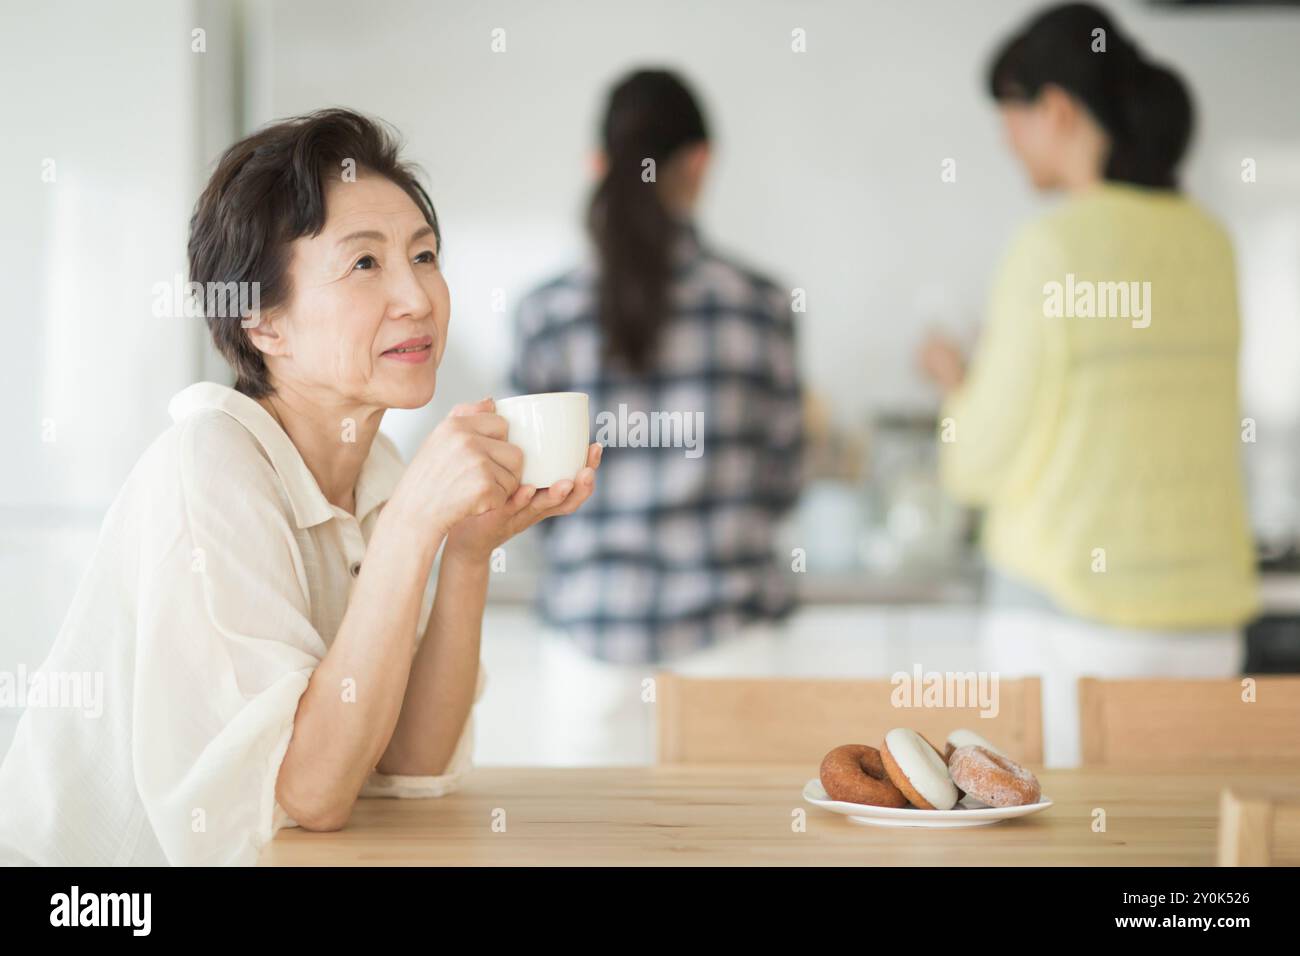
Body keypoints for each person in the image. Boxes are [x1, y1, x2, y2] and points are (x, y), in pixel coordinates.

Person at [0, 108, 600, 864]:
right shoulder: (210, 467)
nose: (417, 296)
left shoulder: (374, 470)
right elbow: (308, 793)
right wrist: (415, 525)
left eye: (425, 254)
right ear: (262, 321)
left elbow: (404, 766)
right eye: (364, 264)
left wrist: (467, 555)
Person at [919, 3, 1258, 767]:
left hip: (1068, 618)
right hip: (1205, 627)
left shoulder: (1051, 246)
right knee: (1186, 858)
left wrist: (955, 383)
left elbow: (979, 460)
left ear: (1058, 110)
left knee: (1059, 845)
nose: (1007, 141)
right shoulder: (1211, 242)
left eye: (1012, 119)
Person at [510, 70, 805, 764]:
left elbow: (521, 486)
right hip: (728, 638)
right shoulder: (760, 305)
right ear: (700, 162)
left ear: (597, 165)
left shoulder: (545, 312)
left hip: (589, 635)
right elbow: (785, 476)